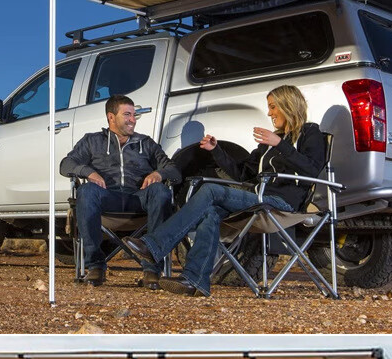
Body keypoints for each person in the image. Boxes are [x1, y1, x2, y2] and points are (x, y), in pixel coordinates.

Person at [125, 84, 327, 297]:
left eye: (273, 107)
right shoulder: (268, 143)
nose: (269, 113)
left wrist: (280, 144)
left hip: (283, 203)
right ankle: (194, 280)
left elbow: (312, 169)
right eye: (269, 107)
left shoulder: (309, 132)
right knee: (210, 213)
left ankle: (155, 246)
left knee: (211, 191)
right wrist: (217, 150)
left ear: (288, 105)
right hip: (259, 199)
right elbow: (242, 174)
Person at [60, 94, 181, 286]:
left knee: (160, 191)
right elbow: (66, 164)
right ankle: (96, 265)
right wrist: (89, 172)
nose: (133, 119)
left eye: (134, 115)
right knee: (86, 191)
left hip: (139, 198)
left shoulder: (146, 143)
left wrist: (159, 174)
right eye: (127, 114)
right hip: (108, 198)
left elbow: (173, 169)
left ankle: (152, 269)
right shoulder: (92, 141)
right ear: (111, 117)